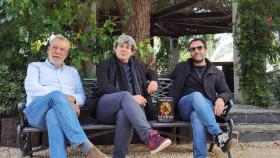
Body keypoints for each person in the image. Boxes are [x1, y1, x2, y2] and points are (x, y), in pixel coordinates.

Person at [86, 34, 171, 158]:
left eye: (127, 47)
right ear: (115, 49)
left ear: (132, 51)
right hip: (105, 108)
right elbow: (103, 86)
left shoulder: (136, 66)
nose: (124, 49)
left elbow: (151, 72)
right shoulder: (105, 64)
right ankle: (150, 137)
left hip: (127, 109)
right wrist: (132, 98)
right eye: (120, 46)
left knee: (124, 114)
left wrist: (154, 80)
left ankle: (119, 156)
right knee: (125, 95)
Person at [24, 34, 107, 158]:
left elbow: (81, 97)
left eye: (62, 49)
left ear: (66, 54)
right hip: (36, 113)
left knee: (53, 114)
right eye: (55, 47)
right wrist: (64, 99)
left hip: (60, 114)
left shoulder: (72, 72)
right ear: (48, 50)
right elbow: (33, 89)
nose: (58, 51)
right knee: (56, 95)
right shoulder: (35, 67)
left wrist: (71, 100)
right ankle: (87, 147)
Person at [168, 38, 238, 158]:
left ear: (205, 50)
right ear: (190, 52)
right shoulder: (182, 67)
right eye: (193, 49)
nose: (196, 51)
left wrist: (221, 98)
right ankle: (218, 134)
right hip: (185, 105)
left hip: (206, 107)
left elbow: (225, 91)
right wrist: (153, 80)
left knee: (197, 116)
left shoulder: (216, 72)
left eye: (199, 48)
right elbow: (166, 78)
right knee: (196, 95)